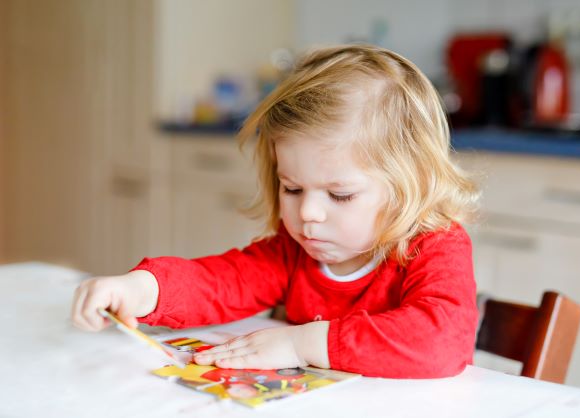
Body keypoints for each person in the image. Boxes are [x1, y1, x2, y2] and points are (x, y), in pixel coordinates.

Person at [72, 44, 480, 379]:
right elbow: (221, 282)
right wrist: (142, 289)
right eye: (292, 188)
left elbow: (441, 341)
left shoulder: (436, 247)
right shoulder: (294, 251)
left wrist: (301, 343)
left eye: (339, 195)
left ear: (414, 185)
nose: (309, 214)